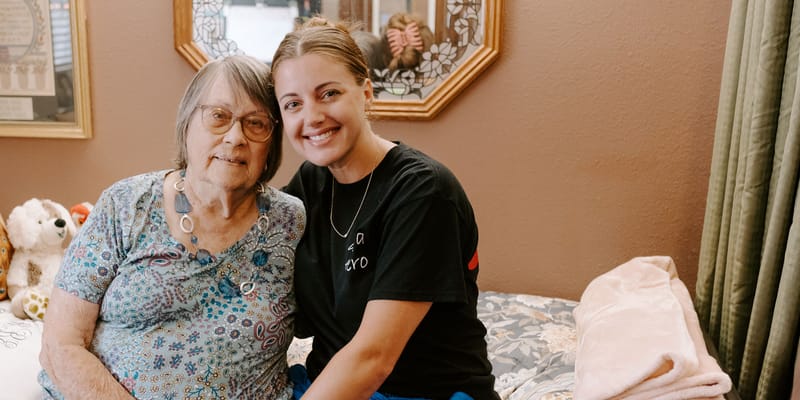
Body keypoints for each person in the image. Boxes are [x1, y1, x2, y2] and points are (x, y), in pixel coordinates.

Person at [37, 55, 306, 399]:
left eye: (257, 124)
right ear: (187, 123)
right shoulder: (126, 204)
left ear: (272, 142)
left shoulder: (291, 221)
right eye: (218, 117)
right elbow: (60, 343)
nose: (236, 137)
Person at [271, 18, 500, 400]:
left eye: (328, 94)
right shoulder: (310, 182)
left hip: (423, 392)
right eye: (293, 104)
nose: (311, 117)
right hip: (328, 382)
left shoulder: (422, 190)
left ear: (366, 93)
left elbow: (374, 358)